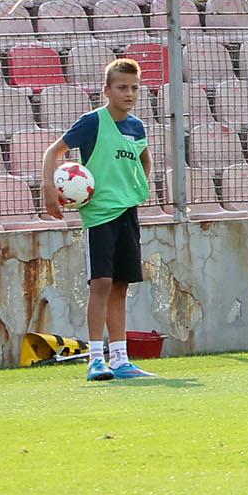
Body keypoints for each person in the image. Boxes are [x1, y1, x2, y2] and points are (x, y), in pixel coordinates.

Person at [39, 57, 157, 383]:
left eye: (134, 87)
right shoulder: (92, 122)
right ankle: (95, 359)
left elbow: (144, 159)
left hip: (127, 212)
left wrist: (135, 187)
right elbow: (53, 152)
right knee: (101, 284)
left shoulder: (137, 127)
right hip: (100, 215)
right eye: (122, 87)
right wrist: (49, 189)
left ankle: (120, 359)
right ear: (107, 90)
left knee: (121, 286)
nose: (129, 93)